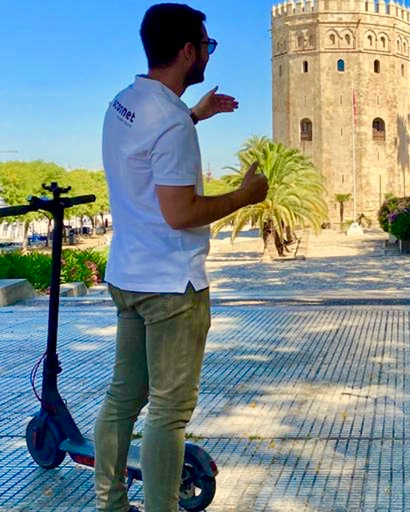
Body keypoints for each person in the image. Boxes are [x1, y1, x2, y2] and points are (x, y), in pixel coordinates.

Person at [94, 4, 269, 512]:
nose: (208, 56)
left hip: (127, 274)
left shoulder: (122, 104)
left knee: (123, 398)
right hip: (171, 286)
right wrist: (246, 195)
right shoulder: (171, 123)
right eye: (207, 47)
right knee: (169, 415)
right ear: (188, 51)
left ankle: (110, 504)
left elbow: (145, 153)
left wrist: (195, 114)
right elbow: (181, 212)